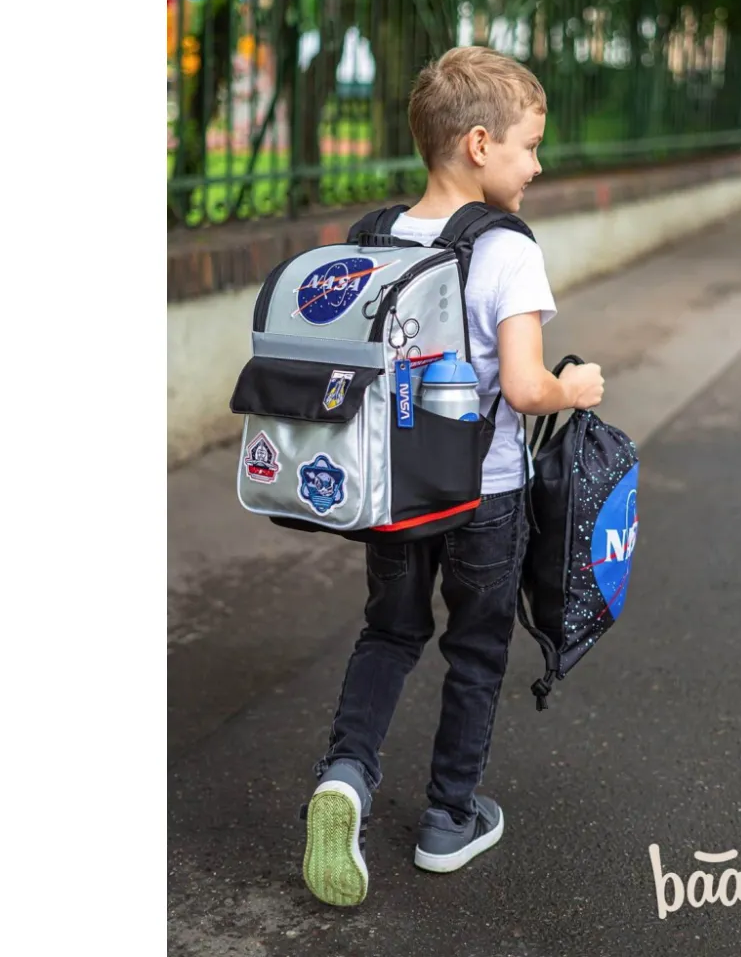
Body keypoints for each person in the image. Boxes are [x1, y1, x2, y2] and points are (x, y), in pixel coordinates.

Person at [301, 45, 605, 907]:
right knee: (475, 649)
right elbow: (525, 387)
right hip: (486, 495)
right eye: (529, 146)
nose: (537, 166)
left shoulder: (376, 238)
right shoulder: (507, 250)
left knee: (390, 633)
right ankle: (448, 819)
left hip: (393, 491)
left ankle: (346, 776)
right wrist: (575, 387)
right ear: (479, 144)